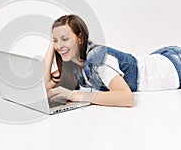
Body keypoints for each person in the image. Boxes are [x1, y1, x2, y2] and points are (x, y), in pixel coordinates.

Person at [42, 14, 181, 107]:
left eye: (65, 38)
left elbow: (127, 98)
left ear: (80, 38)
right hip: (155, 59)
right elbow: (45, 85)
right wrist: (52, 45)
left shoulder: (99, 60)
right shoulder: (74, 62)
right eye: (55, 40)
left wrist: (74, 95)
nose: (59, 46)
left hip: (172, 67)